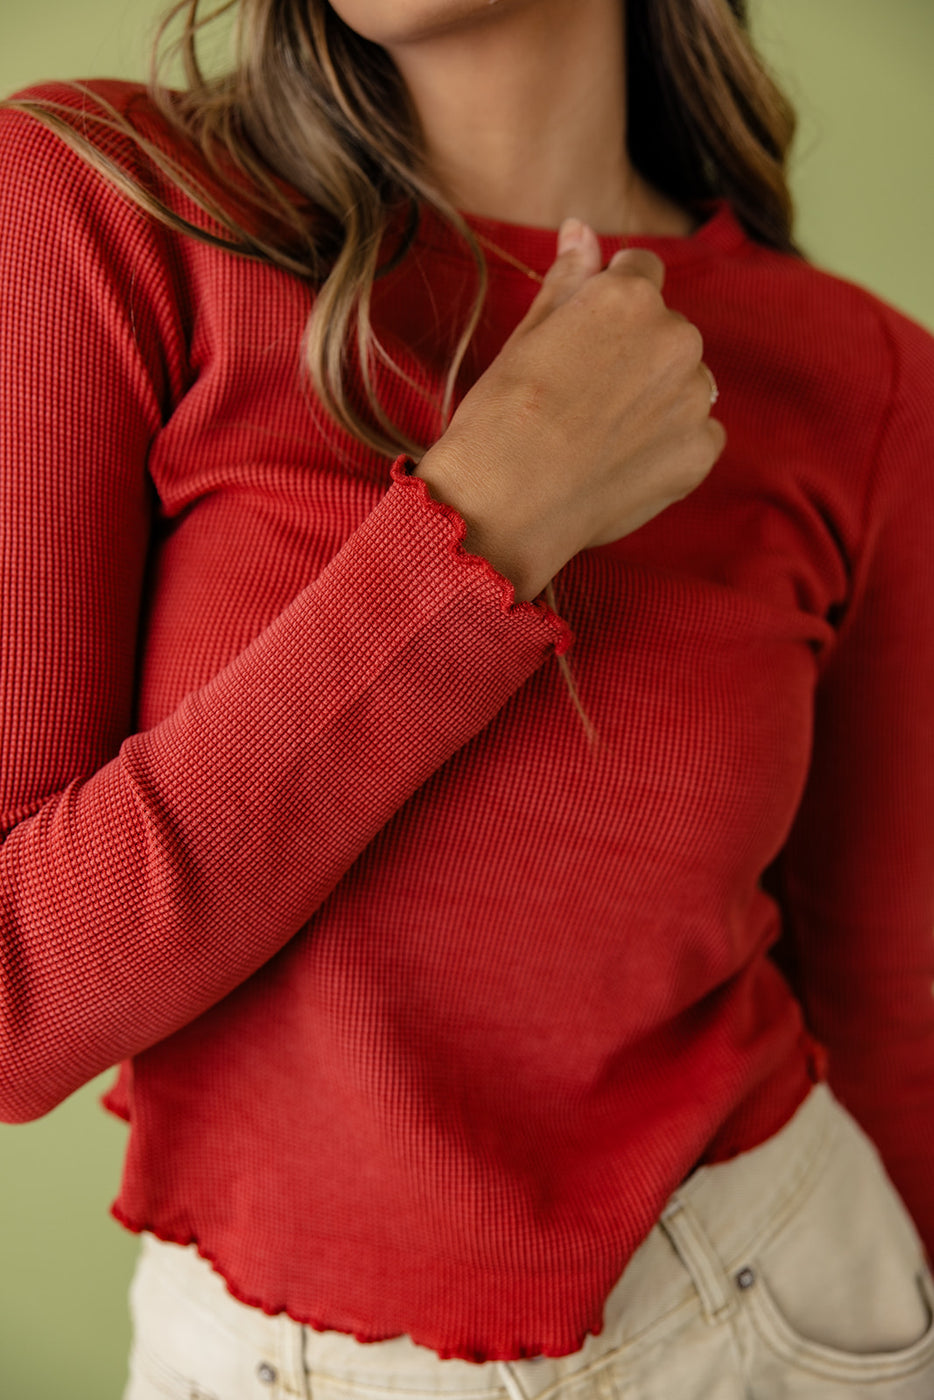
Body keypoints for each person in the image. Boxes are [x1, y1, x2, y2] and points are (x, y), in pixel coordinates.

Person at [1, 0, 933, 1395]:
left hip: (770, 1320)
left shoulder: (864, 381)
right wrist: (484, 527)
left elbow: (886, 1007)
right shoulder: (104, 203)